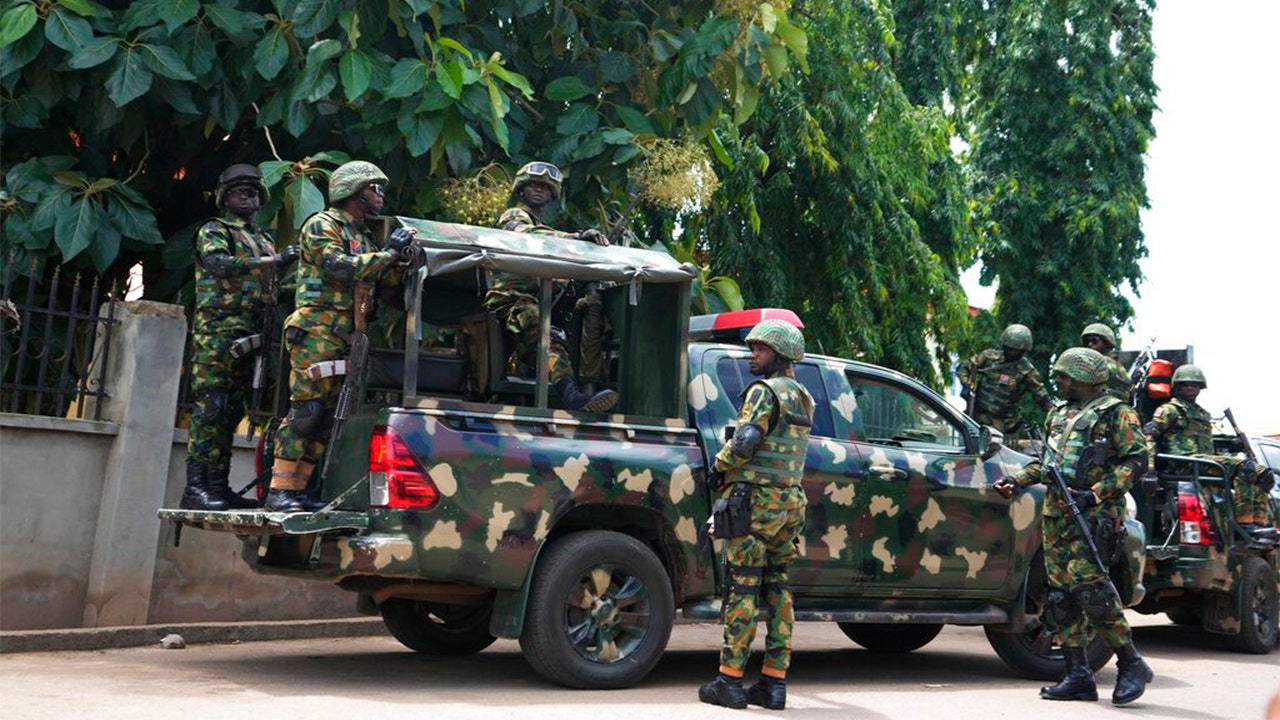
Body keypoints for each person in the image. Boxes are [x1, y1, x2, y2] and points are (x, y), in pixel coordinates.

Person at [992, 347, 1153, 706]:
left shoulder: (1117, 414)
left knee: (1092, 590)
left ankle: (1131, 663)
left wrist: (1095, 495)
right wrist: (1017, 481)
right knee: (1061, 596)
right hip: (1056, 516)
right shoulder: (1059, 415)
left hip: (1094, 517)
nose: (1059, 382)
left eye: (1065, 376)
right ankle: (1078, 674)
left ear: (1085, 378)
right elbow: (1047, 464)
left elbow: (1137, 462)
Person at [266, 161, 415, 512]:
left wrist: (402, 262)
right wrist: (389, 253)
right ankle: (279, 490)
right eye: (373, 188)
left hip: (349, 334)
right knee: (307, 409)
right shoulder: (322, 224)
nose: (380, 195)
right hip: (316, 328)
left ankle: (298, 489)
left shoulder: (363, 236)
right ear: (353, 191)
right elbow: (338, 267)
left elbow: (382, 280)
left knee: (330, 416)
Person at [699, 319, 812, 711]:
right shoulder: (803, 395)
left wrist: (719, 466)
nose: (753, 355)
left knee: (743, 588)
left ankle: (729, 682)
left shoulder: (766, 391)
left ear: (778, 355)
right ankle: (773, 684)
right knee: (779, 588)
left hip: (757, 503)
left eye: (760, 349)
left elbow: (747, 439)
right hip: (789, 503)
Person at [183, 164, 298, 510]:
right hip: (217, 332)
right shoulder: (214, 230)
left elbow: (271, 284)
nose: (246, 196)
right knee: (211, 410)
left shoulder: (261, 237)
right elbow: (218, 264)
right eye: (238, 191)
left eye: (252, 191)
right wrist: (272, 260)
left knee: (233, 412)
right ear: (223, 197)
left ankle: (218, 487)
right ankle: (196, 488)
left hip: (252, 330)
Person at [485, 161, 616, 412]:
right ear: (520, 190)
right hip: (510, 299)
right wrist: (576, 238)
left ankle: (582, 389)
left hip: (537, 303)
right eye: (532, 184)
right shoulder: (514, 216)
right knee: (543, 328)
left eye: (545, 187)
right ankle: (572, 397)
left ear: (552, 195)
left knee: (562, 332)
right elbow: (526, 235)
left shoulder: (547, 232)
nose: (538, 189)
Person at [1143, 365, 1276, 536]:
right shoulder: (1170, 410)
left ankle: (1255, 523)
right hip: (1184, 462)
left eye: (1194, 384)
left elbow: (1203, 442)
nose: (1190, 387)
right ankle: (1244, 525)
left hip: (1204, 461)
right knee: (1245, 468)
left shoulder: (1202, 413)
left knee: (1262, 474)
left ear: (1201, 387)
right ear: (1177, 386)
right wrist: (1151, 469)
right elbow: (1149, 436)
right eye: (1185, 384)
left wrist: (1233, 446)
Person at [958, 323, 1052, 438]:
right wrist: (967, 385)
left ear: (1023, 350)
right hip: (976, 418)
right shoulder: (988, 357)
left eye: (1016, 350)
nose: (1012, 352)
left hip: (1004, 426)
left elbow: (1041, 395)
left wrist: (1053, 415)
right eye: (1009, 348)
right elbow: (963, 368)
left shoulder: (1027, 371)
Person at [1080, 322, 1132, 401]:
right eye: (1087, 342)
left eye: (1094, 341)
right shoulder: (1115, 363)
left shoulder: (1102, 362)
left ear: (1106, 343)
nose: (1090, 344)